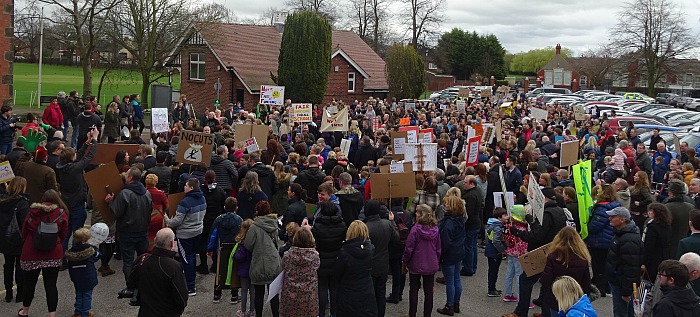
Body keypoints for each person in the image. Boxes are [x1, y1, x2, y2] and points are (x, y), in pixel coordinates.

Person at [18, 189, 69, 317]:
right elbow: (63, 234)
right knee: (51, 284)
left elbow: (24, 231)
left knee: (29, 284)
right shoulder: (61, 213)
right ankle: (52, 313)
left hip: (31, 252)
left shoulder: (32, 212)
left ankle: (25, 311)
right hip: (53, 253)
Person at [106, 167, 152, 286]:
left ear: (130, 178)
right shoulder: (147, 193)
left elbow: (116, 212)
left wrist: (110, 202)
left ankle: (131, 285)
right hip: (143, 231)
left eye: (127, 175)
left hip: (127, 232)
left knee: (128, 261)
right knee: (143, 259)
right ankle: (143, 283)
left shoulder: (124, 193)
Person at [127, 228, 188, 317]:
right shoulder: (174, 266)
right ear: (171, 244)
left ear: (155, 240)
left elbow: (131, 283)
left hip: (145, 312)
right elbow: (181, 298)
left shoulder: (142, 259)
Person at [57, 129, 97, 254]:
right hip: (77, 203)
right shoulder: (74, 168)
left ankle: (62, 257)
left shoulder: (62, 166)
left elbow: (78, 157)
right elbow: (89, 157)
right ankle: (75, 253)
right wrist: (95, 140)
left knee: (66, 232)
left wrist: (87, 142)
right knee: (77, 233)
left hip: (66, 202)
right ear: (71, 158)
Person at [165, 177, 206, 295]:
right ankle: (191, 279)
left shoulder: (185, 202)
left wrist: (167, 220)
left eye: (186, 186)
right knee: (192, 256)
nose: (184, 187)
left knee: (186, 259)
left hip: (185, 234)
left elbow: (177, 221)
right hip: (197, 231)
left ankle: (190, 286)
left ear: (191, 187)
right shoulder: (202, 198)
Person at [540, 227, 593, 316]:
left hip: (557, 299)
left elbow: (546, 280)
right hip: (575, 300)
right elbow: (586, 283)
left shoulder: (553, 257)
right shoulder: (583, 259)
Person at [403, 204, 441, 317]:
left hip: (415, 263)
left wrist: (405, 261)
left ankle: (412, 314)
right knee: (429, 291)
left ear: (421, 215)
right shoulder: (436, 230)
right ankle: (427, 314)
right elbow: (438, 249)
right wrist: (436, 261)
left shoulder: (415, 230)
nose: (415, 213)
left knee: (414, 288)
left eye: (417, 212)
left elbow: (409, 248)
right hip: (431, 264)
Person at [245, 201, 282, 317]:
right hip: (273, 261)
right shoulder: (274, 224)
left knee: (259, 293)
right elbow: (276, 241)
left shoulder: (254, 227)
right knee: (274, 293)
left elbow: (248, 244)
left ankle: (259, 315)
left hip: (259, 263)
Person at [605, 206, 643, 317]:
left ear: (623, 219)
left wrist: (626, 291)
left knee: (621, 312)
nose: (609, 219)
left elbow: (631, 267)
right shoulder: (621, 234)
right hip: (619, 281)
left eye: (613, 216)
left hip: (621, 283)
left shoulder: (628, 239)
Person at [311, 199, 347, 317]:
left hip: (322, 259)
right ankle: (334, 313)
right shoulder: (342, 225)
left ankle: (321, 313)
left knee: (322, 288)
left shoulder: (317, 226)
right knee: (334, 288)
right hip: (336, 259)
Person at [365, 199, 400, 317]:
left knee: (370, 295)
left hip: (370, 265)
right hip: (384, 264)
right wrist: (393, 222)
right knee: (381, 293)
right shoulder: (387, 224)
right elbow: (396, 238)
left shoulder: (365, 227)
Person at [336, 220, 377, 317]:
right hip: (367, 290)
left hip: (348, 292)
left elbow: (337, 274)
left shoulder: (344, 252)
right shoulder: (371, 250)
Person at [586, 183, 620, 295]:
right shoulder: (614, 205)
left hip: (599, 241)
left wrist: (586, 226)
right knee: (605, 264)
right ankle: (604, 285)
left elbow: (595, 226)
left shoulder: (603, 208)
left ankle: (601, 287)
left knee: (598, 264)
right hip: (608, 239)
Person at [207, 197, 243, 303]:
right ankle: (234, 295)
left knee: (219, 271)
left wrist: (209, 248)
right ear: (236, 208)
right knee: (234, 271)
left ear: (224, 207)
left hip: (222, 248)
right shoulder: (239, 220)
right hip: (235, 248)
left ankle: (217, 294)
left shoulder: (219, 219)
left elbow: (213, 235)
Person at [0, 177, 30, 303]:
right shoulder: (22, 203)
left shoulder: (2, 201)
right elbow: (25, 224)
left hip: (4, 237)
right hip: (18, 239)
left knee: (7, 266)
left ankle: (8, 293)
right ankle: (20, 294)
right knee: (19, 267)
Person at [279, 228, 320, 317]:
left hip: (290, 296)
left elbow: (283, 267)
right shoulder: (315, 256)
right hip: (309, 297)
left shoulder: (287, 255)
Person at [437, 195, 467, 316]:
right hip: (459, 252)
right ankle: (456, 304)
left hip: (449, 254)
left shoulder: (449, 222)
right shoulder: (460, 219)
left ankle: (449, 305)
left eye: (447, 204)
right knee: (456, 279)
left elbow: (445, 241)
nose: (445, 206)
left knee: (450, 281)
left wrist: (441, 254)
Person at [65, 228, 99, 317]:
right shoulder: (90, 251)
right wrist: (96, 248)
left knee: (79, 294)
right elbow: (97, 256)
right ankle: (86, 312)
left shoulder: (72, 251)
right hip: (88, 277)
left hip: (76, 277)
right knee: (87, 295)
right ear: (85, 241)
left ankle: (78, 311)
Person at [199, 170, 226, 274]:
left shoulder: (201, 190)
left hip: (204, 220)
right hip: (216, 221)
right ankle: (215, 265)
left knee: (203, 243)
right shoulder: (220, 191)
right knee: (215, 243)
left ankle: (203, 265)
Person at [642, 203, 672, 280]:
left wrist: (644, 262)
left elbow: (649, 246)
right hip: (664, 255)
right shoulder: (667, 225)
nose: (649, 212)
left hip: (653, 259)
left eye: (651, 211)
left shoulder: (652, 227)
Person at [665, 180, 695, 258]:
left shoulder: (667, 207)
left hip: (669, 245)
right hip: (685, 243)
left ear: (671, 193)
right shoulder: (691, 207)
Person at [461, 175, 483, 276]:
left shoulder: (470, 196)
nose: (463, 184)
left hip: (470, 225)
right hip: (476, 223)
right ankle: (473, 266)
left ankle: (468, 268)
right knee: (473, 246)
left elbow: (467, 213)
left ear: (471, 184)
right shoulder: (477, 192)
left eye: (465, 182)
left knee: (469, 246)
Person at [486, 208, 509, 297]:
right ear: (499, 217)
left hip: (491, 251)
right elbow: (496, 241)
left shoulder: (493, 224)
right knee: (493, 271)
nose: (507, 217)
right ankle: (491, 289)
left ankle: (492, 288)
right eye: (505, 216)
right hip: (494, 252)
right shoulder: (498, 226)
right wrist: (503, 250)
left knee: (493, 270)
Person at [145, 174, 168, 250]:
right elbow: (166, 205)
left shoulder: (143, 192)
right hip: (157, 218)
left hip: (145, 217)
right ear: (156, 182)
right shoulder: (161, 194)